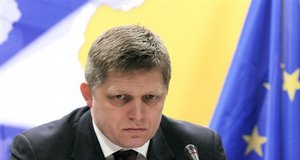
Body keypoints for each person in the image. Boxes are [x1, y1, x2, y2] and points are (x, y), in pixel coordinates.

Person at [9, 25, 226, 160]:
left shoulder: (200, 150)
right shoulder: (39, 153)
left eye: (151, 98)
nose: (138, 115)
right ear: (88, 94)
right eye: (121, 98)